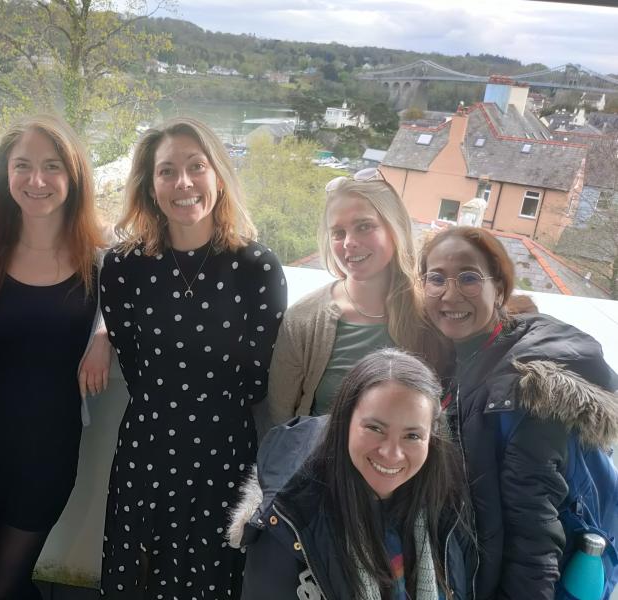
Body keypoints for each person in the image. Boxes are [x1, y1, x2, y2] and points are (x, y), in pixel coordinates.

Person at [98, 117, 287, 598]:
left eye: (196, 166)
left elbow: (257, 379)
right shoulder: (123, 267)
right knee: (136, 571)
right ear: (150, 185)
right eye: (166, 171)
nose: (183, 183)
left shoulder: (256, 267)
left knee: (208, 577)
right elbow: (134, 362)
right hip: (148, 441)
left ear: (218, 176)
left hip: (222, 449)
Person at [0, 114, 110, 600]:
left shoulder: (101, 257)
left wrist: (104, 334)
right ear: (4, 175)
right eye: (22, 165)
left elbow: (129, 311)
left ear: (74, 176)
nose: (36, 180)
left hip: (48, 445)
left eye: (52, 166)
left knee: (3, 582)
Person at [418, 226, 618, 599]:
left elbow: (533, 536)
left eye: (468, 278)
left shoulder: (524, 388)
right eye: (436, 278)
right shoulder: (463, 356)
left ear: (500, 289)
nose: (450, 292)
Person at [230, 348, 473, 600]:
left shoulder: (445, 501)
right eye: (375, 428)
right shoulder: (291, 516)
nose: (392, 454)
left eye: (412, 435)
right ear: (344, 422)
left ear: (431, 437)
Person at [266, 169, 450, 425]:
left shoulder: (432, 314)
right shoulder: (303, 319)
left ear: (394, 229)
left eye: (364, 227)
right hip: (319, 463)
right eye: (338, 233)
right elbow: (278, 424)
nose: (349, 242)